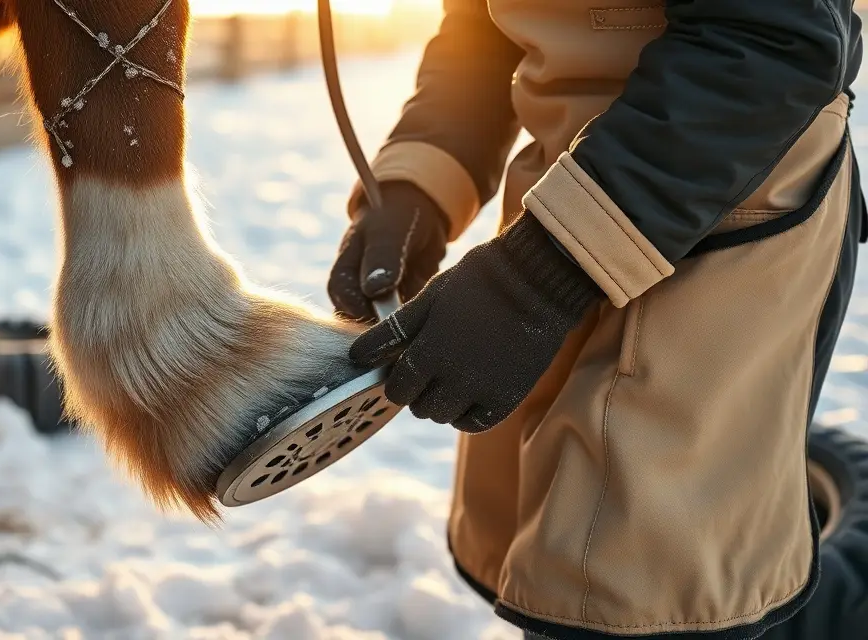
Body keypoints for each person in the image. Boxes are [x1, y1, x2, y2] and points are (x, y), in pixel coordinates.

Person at [328, 1, 865, 638]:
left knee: (646, 594)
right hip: (562, 204)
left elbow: (772, 39)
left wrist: (534, 280)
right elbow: (482, 28)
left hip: (718, 208)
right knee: (560, 564)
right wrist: (418, 183)